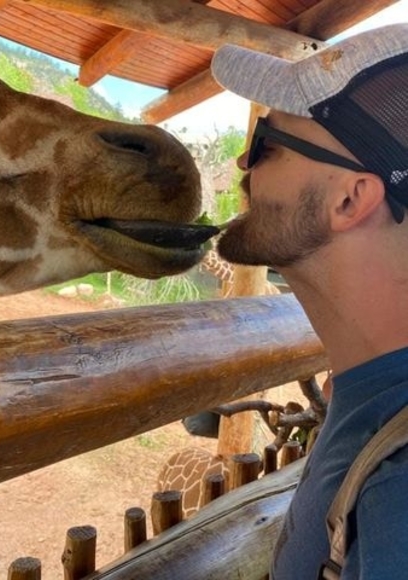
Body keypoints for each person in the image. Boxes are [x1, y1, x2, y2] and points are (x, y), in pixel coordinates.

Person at [210, 23, 408, 579]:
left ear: (350, 199)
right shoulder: (372, 395)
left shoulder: (398, 495)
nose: (244, 164)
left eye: (266, 144)